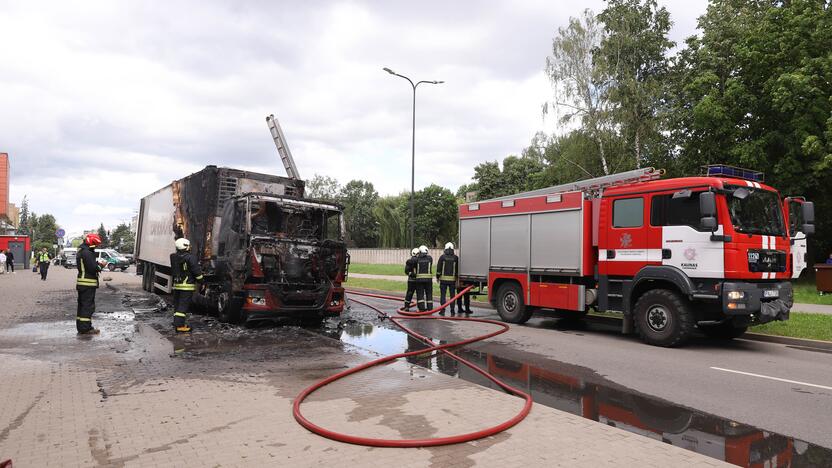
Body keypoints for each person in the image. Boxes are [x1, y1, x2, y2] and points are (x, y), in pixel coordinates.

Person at [170, 237, 203, 333]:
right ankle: (180, 326)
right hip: (187, 286)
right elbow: (196, 271)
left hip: (177, 285)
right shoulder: (190, 257)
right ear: (185, 246)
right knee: (182, 307)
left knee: (177, 305)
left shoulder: (174, 256)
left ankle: (176, 322)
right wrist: (201, 280)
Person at [76, 233, 103, 335]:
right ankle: (86, 328)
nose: (95, 247)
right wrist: (100, 266)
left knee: (82, 306)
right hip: (88, 284)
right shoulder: (87, 253)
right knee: (88, 307)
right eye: (95, 244)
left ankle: (81, 327)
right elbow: (92, 268)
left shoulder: (82, 251)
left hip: (82, 283)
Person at [436, 242, 459, 316]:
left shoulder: (442, 257)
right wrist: (456, 278)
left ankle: (442, 310)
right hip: (452, 280)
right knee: (452, 296)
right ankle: (452, 311)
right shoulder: (455, 258)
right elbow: (457, 269)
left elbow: (439, 268)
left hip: (443, 280)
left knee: (443, 295)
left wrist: (437, 277)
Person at [414, 245, 434, 312]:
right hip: (428, 280)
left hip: (419, 280)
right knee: (429, 294)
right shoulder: (430, 258)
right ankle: (430, 308)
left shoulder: (417, 259)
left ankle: (421, 308)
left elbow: (411, 262)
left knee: (420, 294)